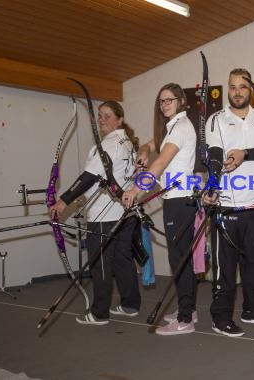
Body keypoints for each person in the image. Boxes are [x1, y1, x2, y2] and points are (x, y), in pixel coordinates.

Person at [203, 68, 254, 337]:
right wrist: (213, 183)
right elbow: (213, 155)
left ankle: (252, 309)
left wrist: (244, 154)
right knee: (225, 268)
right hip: (226, 205)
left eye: (242, 87)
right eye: (232, 86)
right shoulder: (216, 120)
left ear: (251, 90)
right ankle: (220, 317)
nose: (237, 91)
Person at [48, 100, 141, 325]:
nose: (102, 119)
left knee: (100, 262)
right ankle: (130, 304)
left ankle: (99, 313)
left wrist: (63, 201)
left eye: (107, 115)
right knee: (122, 259)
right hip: (124, 213)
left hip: (104, 215)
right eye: (100, 115)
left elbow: (88, 177)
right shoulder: (127, 142)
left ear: (120, 119)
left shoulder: (108, 144)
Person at [123, 83, 199, 336]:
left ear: (181, 101)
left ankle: (186, 318)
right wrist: (143, 151)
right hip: (177, 199)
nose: (165, 104)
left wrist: (136, 190)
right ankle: (189, 308)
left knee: (179, 259)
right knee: (181, 257)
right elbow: (152, 146)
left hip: (179, 201)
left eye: (170, 100)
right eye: (161, 101)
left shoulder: (182, 128)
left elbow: (162, 161)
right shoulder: (172, 127)